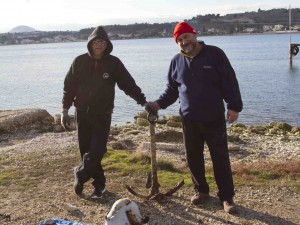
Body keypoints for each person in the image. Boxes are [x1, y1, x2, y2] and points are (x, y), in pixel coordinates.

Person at [144, 22, 243, 213]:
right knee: (193, 158)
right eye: (179, 40)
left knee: (220, 158)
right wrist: (157, 104)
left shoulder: (215, 54)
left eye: (186, 37)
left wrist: (234, 107)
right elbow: (172, 90)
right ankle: (201, 191)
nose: (183, 42)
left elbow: (229, 81)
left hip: (214, 117)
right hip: (189, 119)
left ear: (194, 35)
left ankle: (227, 197)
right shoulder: (176, 61)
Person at [61, 26, 147, 198]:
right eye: (95, 41)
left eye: (102, 41)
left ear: (107, 44)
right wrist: (64, 110)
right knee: (86, 152)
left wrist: (143, 101)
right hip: (82, 113)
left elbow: (128, 84)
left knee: (97, 151)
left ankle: (80, 174)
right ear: (90, 43)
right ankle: (99, 187)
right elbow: (69, 87)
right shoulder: (79, 61)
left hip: (103, 114)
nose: (99, 44)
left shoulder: (113, 63)